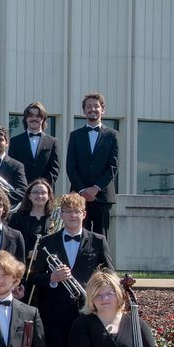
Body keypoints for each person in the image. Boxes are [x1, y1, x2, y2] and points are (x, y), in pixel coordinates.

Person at [28, 192, 114, 347]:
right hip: (54, 312)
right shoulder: (47, 242)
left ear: (84, 214)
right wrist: (53, 278)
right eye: (68, 211)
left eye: (77, 211)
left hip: (88, 308)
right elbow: (33, 278)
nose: (73, 215)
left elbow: (109, 274)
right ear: (61, 214)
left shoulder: (98, 241)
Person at [65, 92, 118, 238]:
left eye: (96, 106)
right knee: (79, 235)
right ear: (84, 111)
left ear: (103, 109)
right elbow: (71, 167)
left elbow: (113, 167)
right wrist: (83, 190)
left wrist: (95, 189)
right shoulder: (75, 136)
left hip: (102, 196)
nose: (92, 109)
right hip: (79, 197)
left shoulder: (112, 135)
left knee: (102, 237)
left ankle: (102, 262)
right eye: (89, 106)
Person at [9, 101, 60, 185]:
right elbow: (12, 167)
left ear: (43, 119)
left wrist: (42, 186)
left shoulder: (53, 142)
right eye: (31, 116)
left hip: (44, 192)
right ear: (26, 118)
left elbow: (55, 169)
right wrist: (22, 186)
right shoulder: (15, 141)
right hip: (22, 191)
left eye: (38, 116)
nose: (34, 119)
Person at [8, 178, 56, 267]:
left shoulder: (54, 218)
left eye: (43, 193)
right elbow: (11, 244)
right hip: (21, 264)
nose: (39, 195)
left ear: (49, 196)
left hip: (47, 267)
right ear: (29, 196)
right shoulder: (17, 218)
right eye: (35, 192)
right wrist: (27, 253)